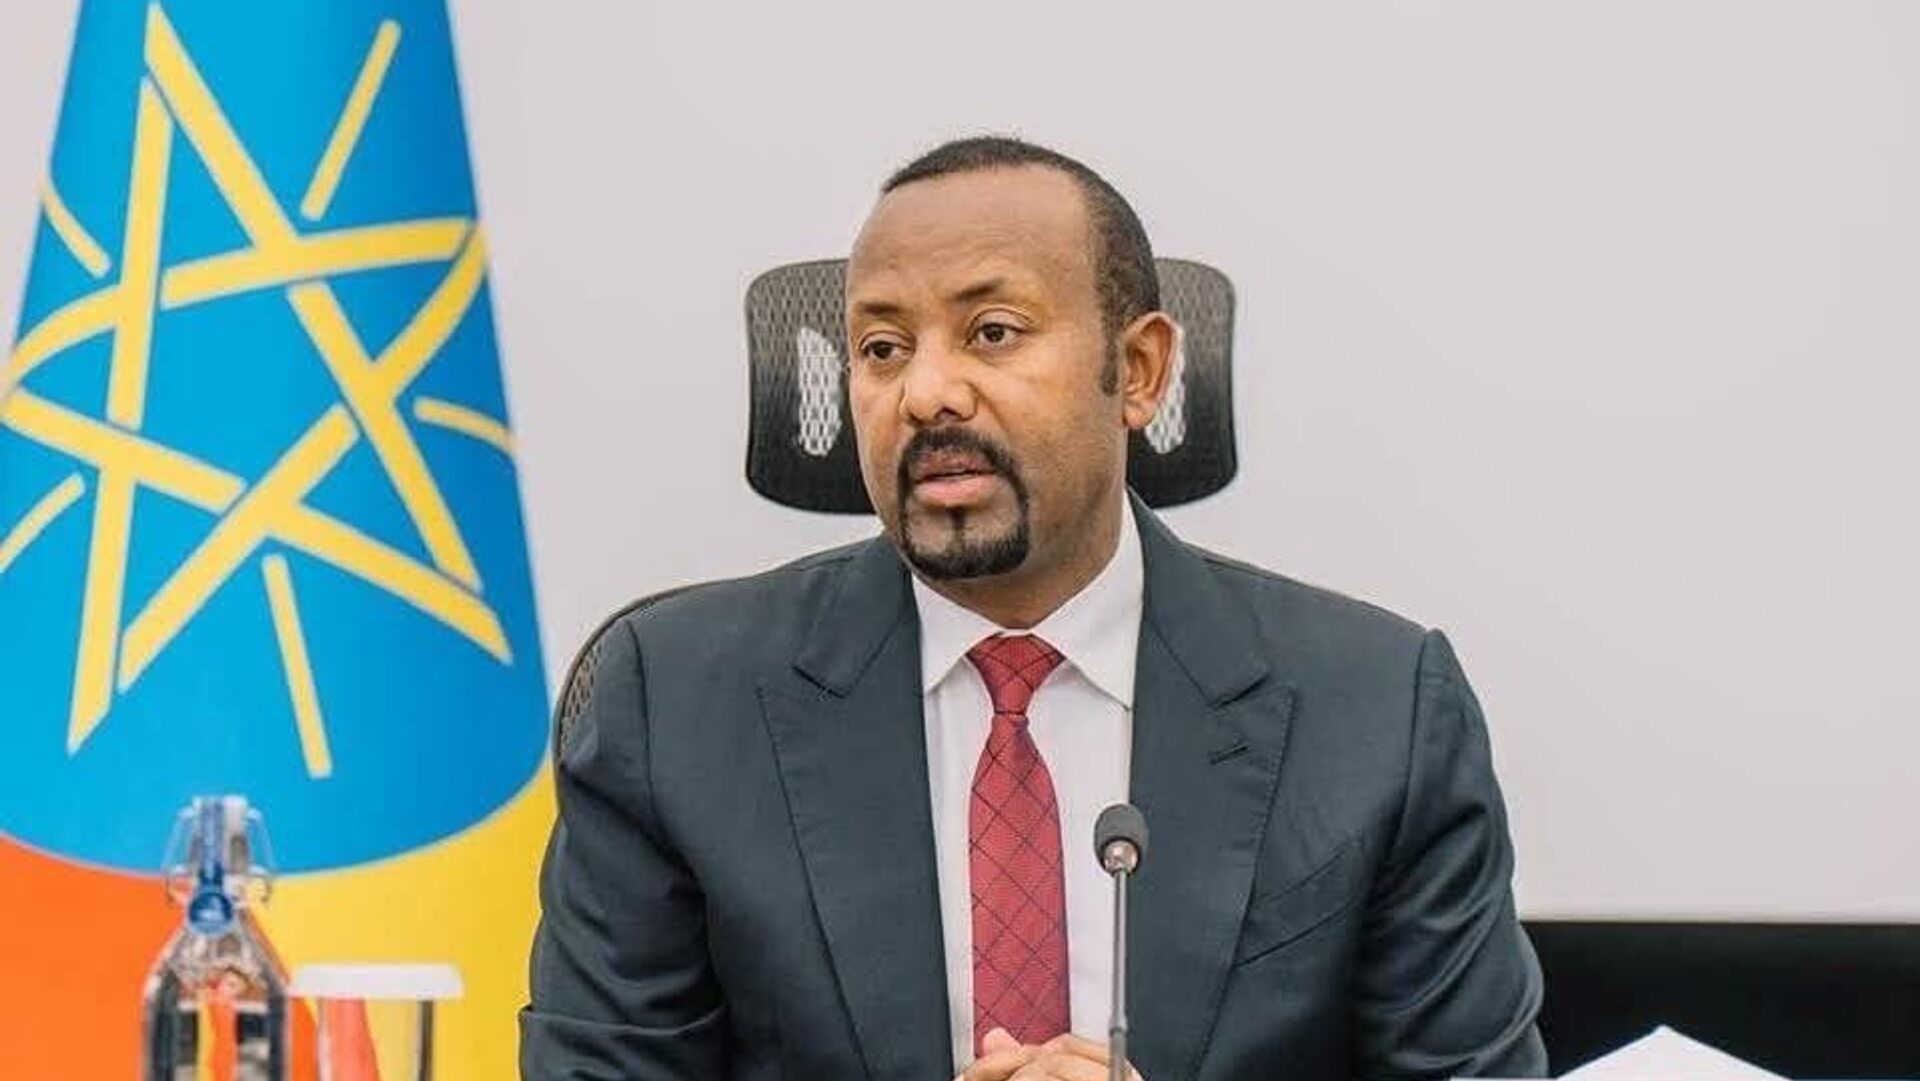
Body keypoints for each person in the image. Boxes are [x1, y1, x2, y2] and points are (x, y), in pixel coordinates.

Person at [520, 136, 1546, 1081]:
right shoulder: (673, 708)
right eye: (881, 348)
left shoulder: (1376, 713)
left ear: (1138, 370)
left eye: (992, 332)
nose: (925, 392)